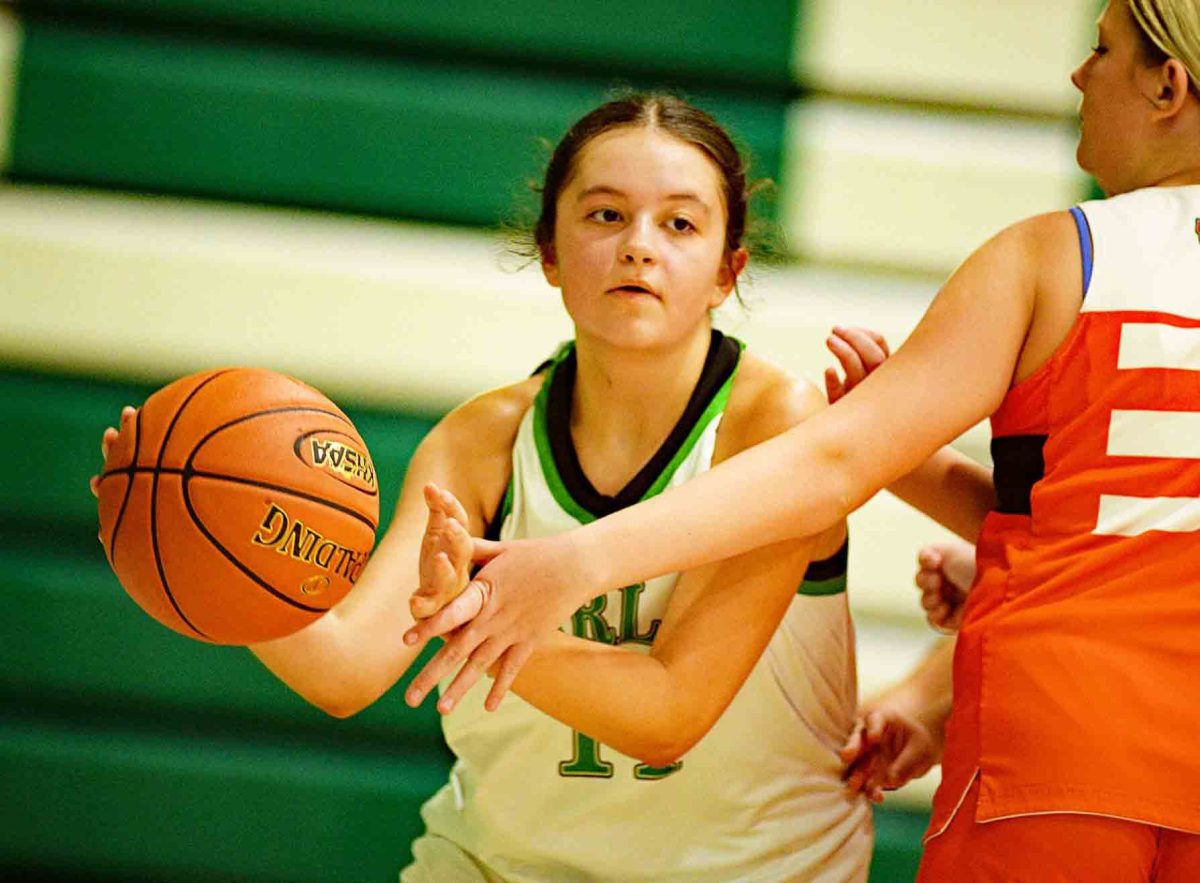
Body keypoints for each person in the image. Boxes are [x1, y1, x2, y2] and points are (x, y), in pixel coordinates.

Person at [403, 4, 1200, 880]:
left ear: (1170, 84)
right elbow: (1118, 525)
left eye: (1102, 50)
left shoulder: (1056, 255)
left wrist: (576, 562)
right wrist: (982, 563)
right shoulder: (487, 429)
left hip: (1060, 746)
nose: (1079, 75)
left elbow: (831, 463)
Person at [93, 94, 950, 881]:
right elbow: (348, 666)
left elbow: (669, 708)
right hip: (496, 864)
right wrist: (200, 552)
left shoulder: (776, 427)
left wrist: (465, 617)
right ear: (549, 251)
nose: (639, 244)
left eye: (679, 224)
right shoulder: (481, 439)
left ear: (729, 271)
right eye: (605, 214)